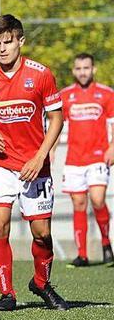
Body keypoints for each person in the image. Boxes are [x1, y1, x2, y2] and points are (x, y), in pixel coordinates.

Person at [0, 14, 68, 311]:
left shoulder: (40, 74)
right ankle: (7, 294)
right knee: (0, 226)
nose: (2, 49)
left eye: (8, 42)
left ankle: (41, 282)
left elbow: (56, 118)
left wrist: (40, 156)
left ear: (20, 41)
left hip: (34, 165)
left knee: (42, 234)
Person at [53, 53, 114, 267]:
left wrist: (113, 147)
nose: (83, 72)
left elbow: (113, 123)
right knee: (79, 203)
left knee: (97, 199)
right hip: (74, 159)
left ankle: (107, 244)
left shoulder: (106, 94)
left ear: (93, 69)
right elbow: (56, 125)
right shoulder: (66, 95)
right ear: (73, 71)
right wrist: (50, 149)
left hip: (98, 156)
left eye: (86, 68)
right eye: (78, 68)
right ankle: (82, 254)